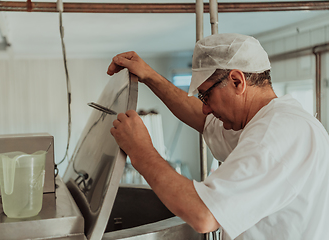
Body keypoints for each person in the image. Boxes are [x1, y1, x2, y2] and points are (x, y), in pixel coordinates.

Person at [107, 33, 329, 239]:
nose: (205, 108)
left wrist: (140, 151)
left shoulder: (274, 136)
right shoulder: (264, 122)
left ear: (237, 81)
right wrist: (150, 76)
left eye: (205, 96)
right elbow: (203, 119)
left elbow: (204, 215)